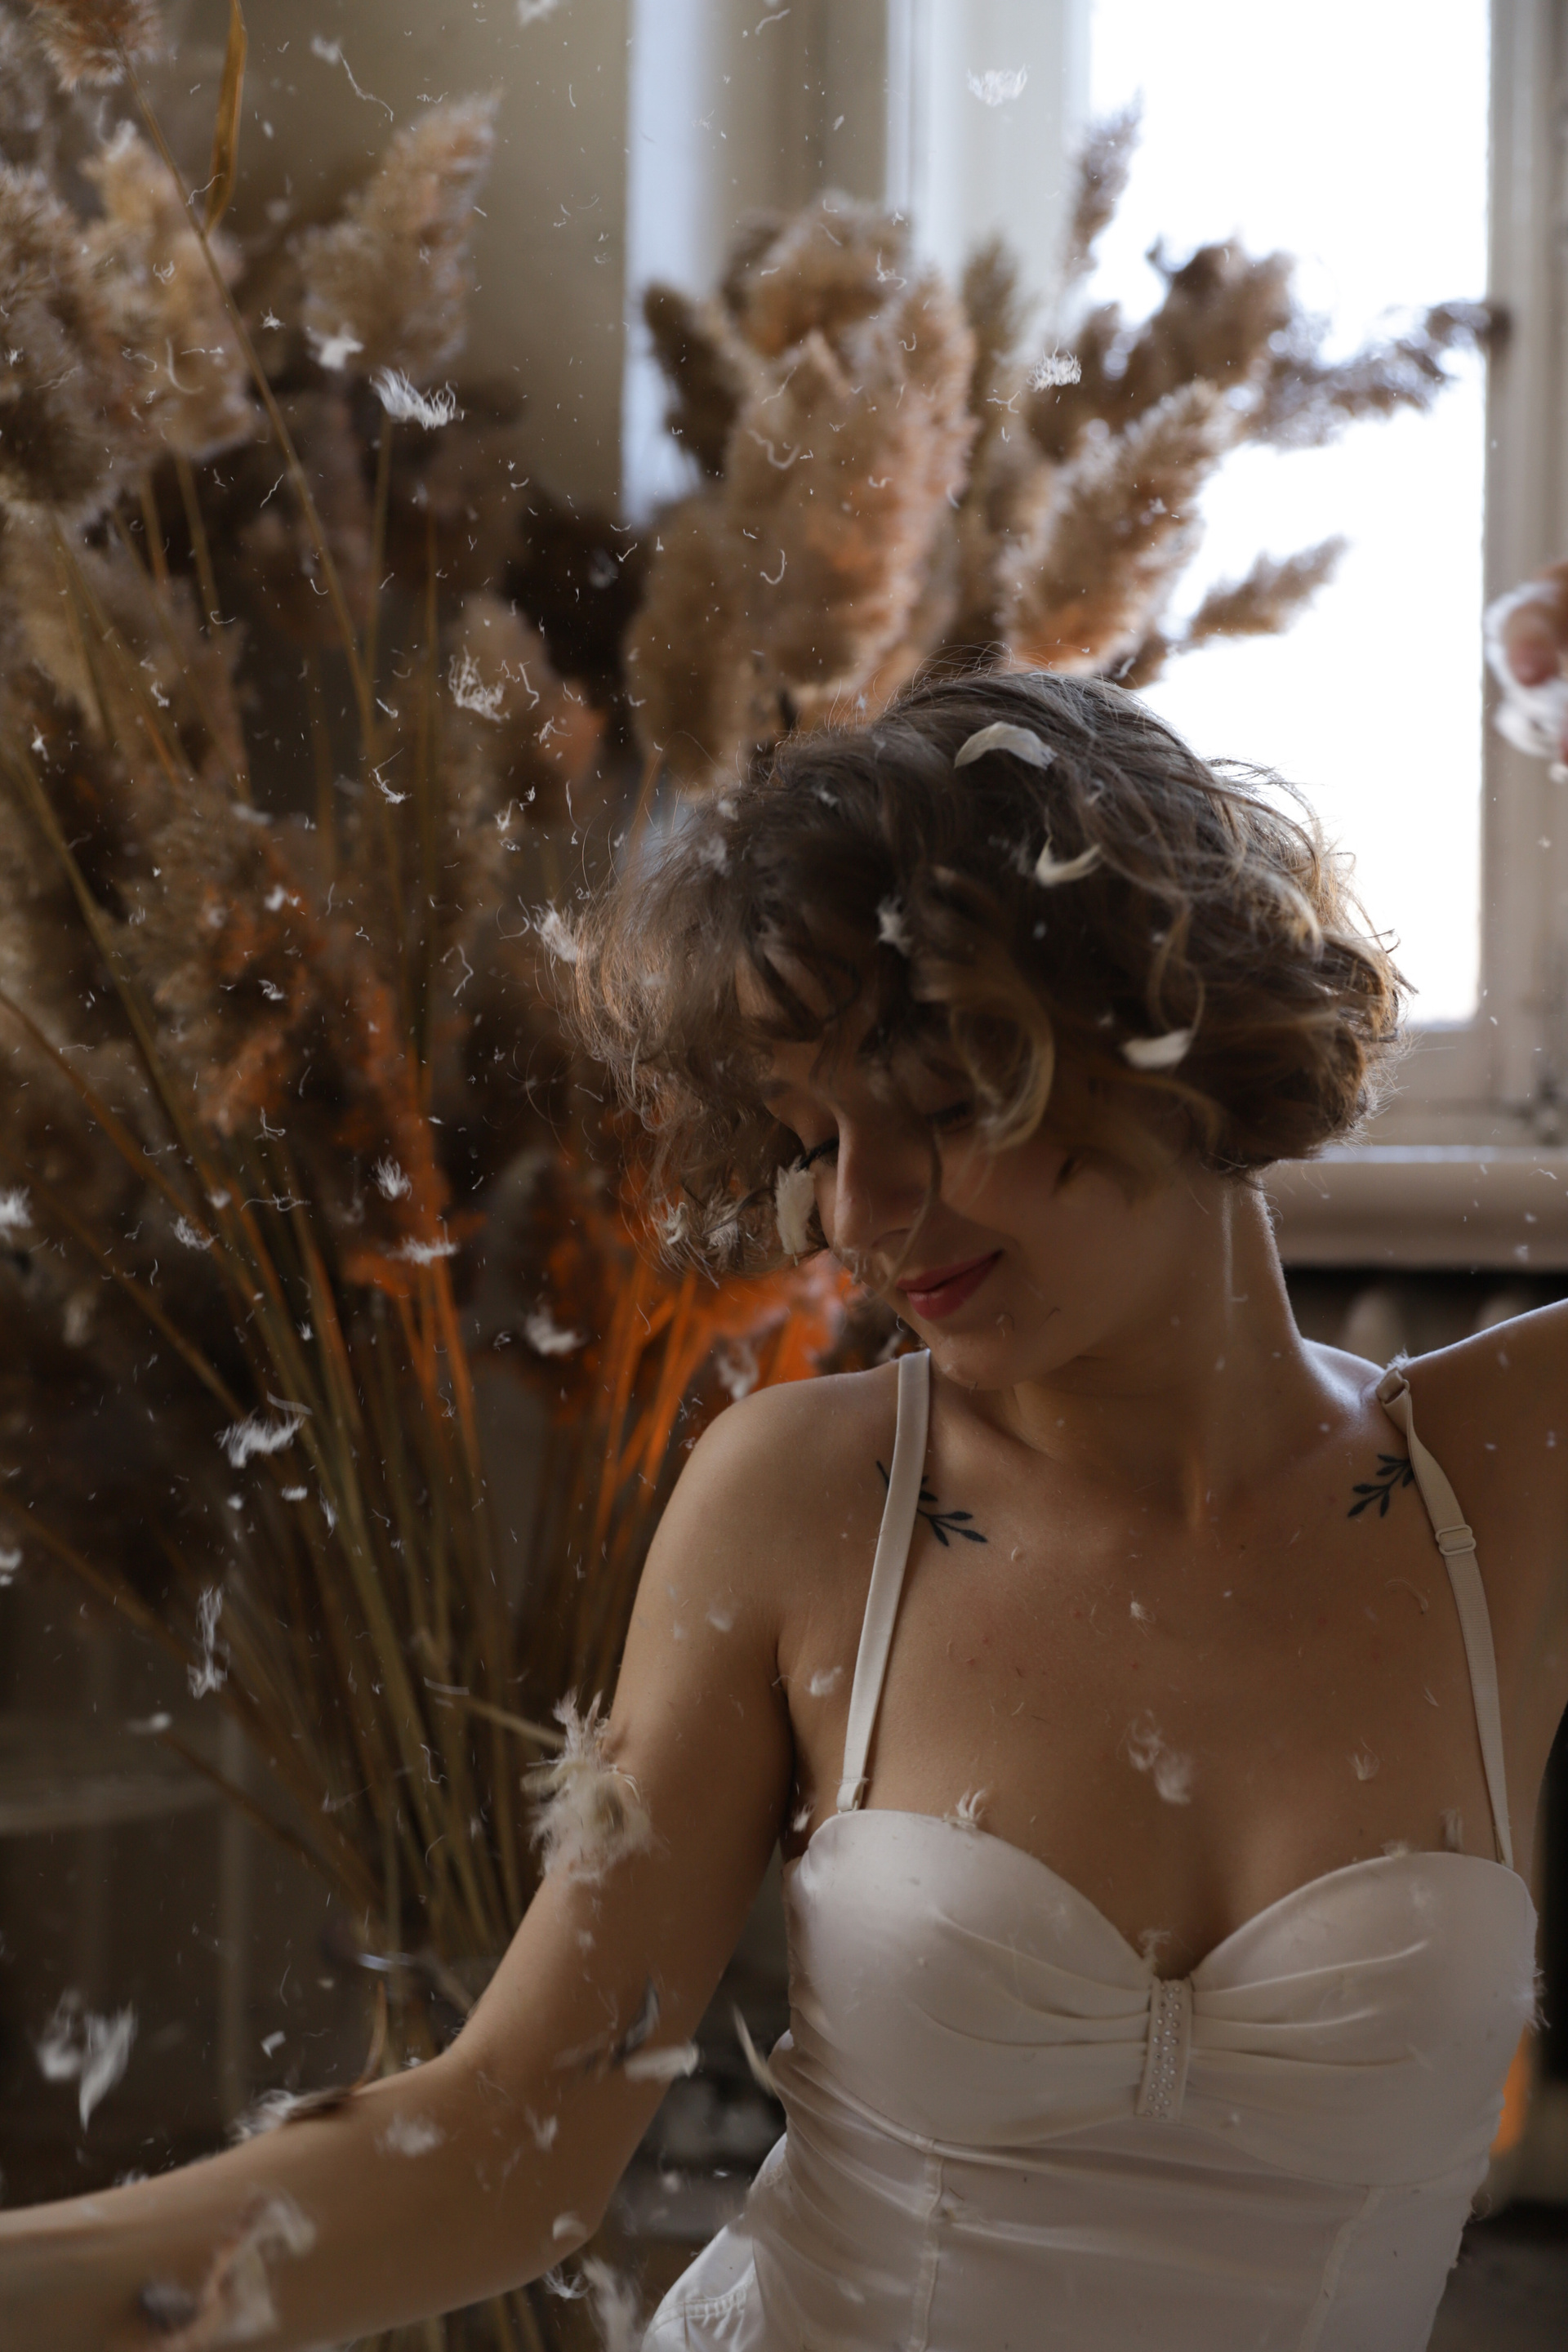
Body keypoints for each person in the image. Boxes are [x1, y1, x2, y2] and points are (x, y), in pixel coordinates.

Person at [1, 669, 1562, 2351]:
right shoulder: (807, 1499)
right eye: (812, 1134)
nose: (858, 1211)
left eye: (947, 1103)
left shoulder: (1509, 1470)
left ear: (1181, 1021)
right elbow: (507, 2144)